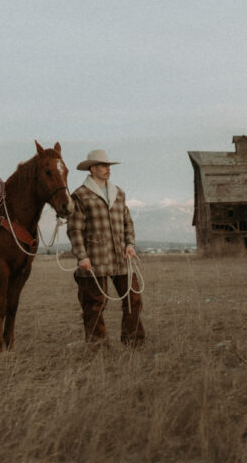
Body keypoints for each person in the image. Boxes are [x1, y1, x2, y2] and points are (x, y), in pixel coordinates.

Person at [66, 149, 145, 347]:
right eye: (103, 166)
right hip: (94, 258)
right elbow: (74, 229)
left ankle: (133, 340)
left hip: (121, 257)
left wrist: (130, 244)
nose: (108, 169)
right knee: (94, 305)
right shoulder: (80, 195)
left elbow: (128, 222)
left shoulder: (118, 193)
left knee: (133, 299)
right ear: (93, 169)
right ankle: (97, 345)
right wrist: (81, 256)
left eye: (108, 165)